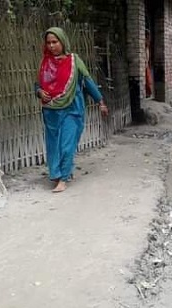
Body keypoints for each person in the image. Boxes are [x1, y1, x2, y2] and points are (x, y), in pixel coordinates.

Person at [35, 27, 109, 193]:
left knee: (67, 145)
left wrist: (100, 102)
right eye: (49, 43)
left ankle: (63, 178)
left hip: (72, 109)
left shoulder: (74, 61)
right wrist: (39, 92)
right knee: (53, 145)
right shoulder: (45, 63)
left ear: (63, 42)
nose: (52, 46)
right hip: (50, 111)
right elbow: (37, 85)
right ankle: (56, 173)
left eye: (55, 42)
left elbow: (88, 82)